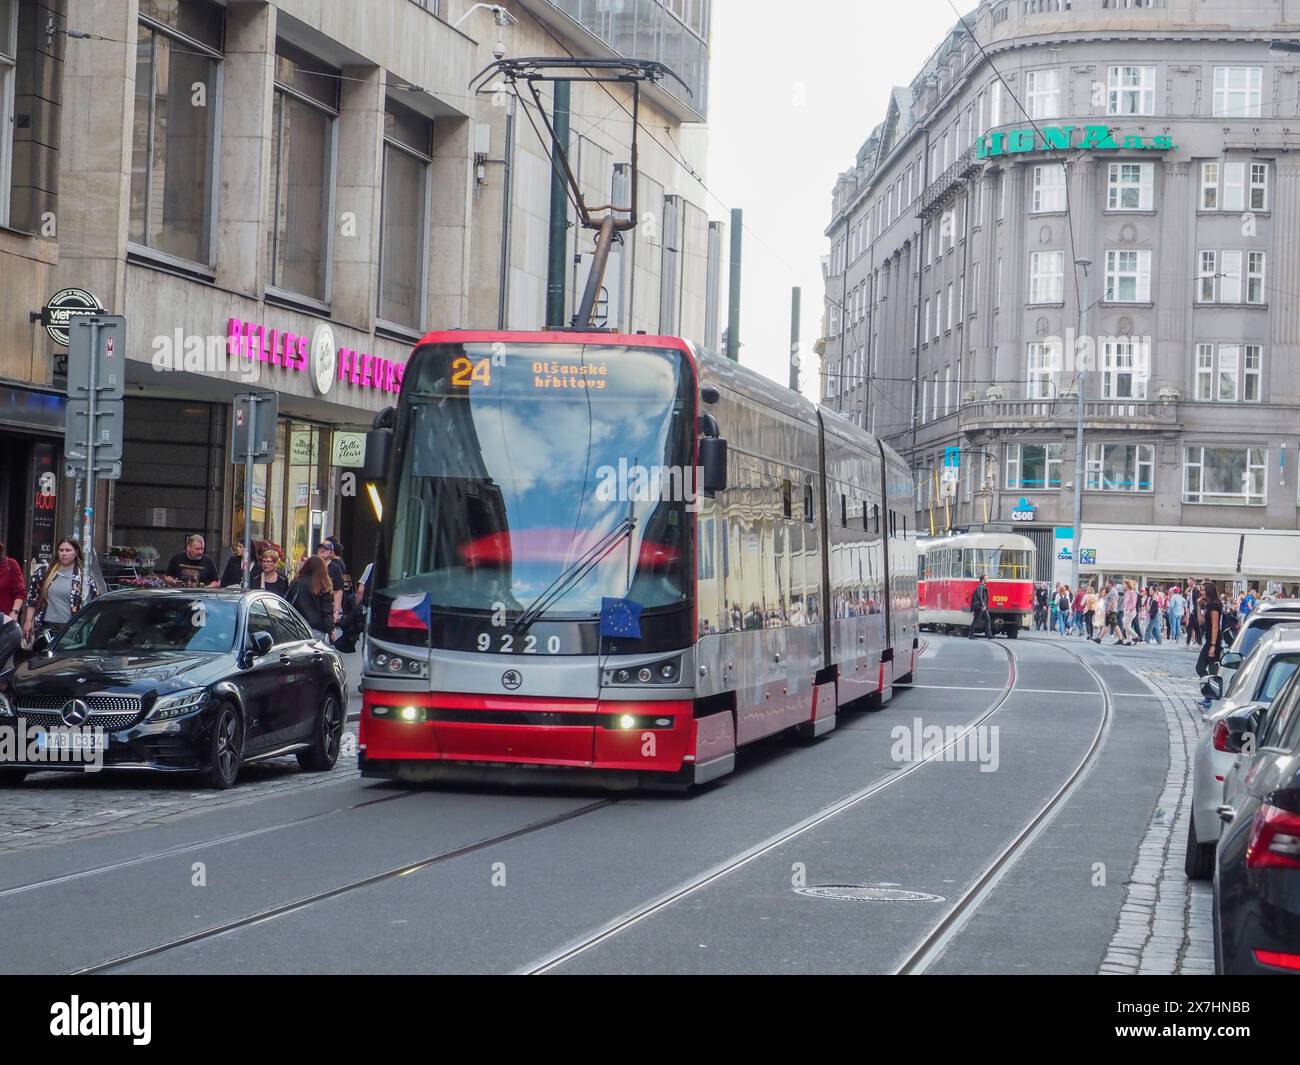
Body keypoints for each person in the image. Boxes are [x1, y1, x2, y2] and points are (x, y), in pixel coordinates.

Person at [23, 537, 96, 645]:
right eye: (61, 550)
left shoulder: (84, 577)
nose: (64, 554)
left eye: (68, 550)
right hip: (46, 626)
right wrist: (28, 621)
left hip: (71, 628)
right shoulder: (45, 572)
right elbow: (33, 598)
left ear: (76, 552)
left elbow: (94, 602)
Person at [289, 555, 334, 640]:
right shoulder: (322, 585)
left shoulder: (296, 581)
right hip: (316, 627)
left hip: (297, 626)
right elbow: (326, 612)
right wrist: (331, 630)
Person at [1197, 580, 1225, 709]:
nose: (1201, 592)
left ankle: (1211, 697)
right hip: (1209, 640)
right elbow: (1201, 621)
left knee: (1211, 670)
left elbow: (1215, 626)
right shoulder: (1208, 605)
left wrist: (1213, 645)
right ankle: (1210, 695)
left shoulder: (1214, 606)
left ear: (1209, 591)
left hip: (1213, 642)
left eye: (1203, 590)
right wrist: (1198, 606)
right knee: (1201, 668)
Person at [0, 542, 26, 671]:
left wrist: (14, 612)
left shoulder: (10, 565)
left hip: (5, 625)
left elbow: (20, 592)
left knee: (5, 666)